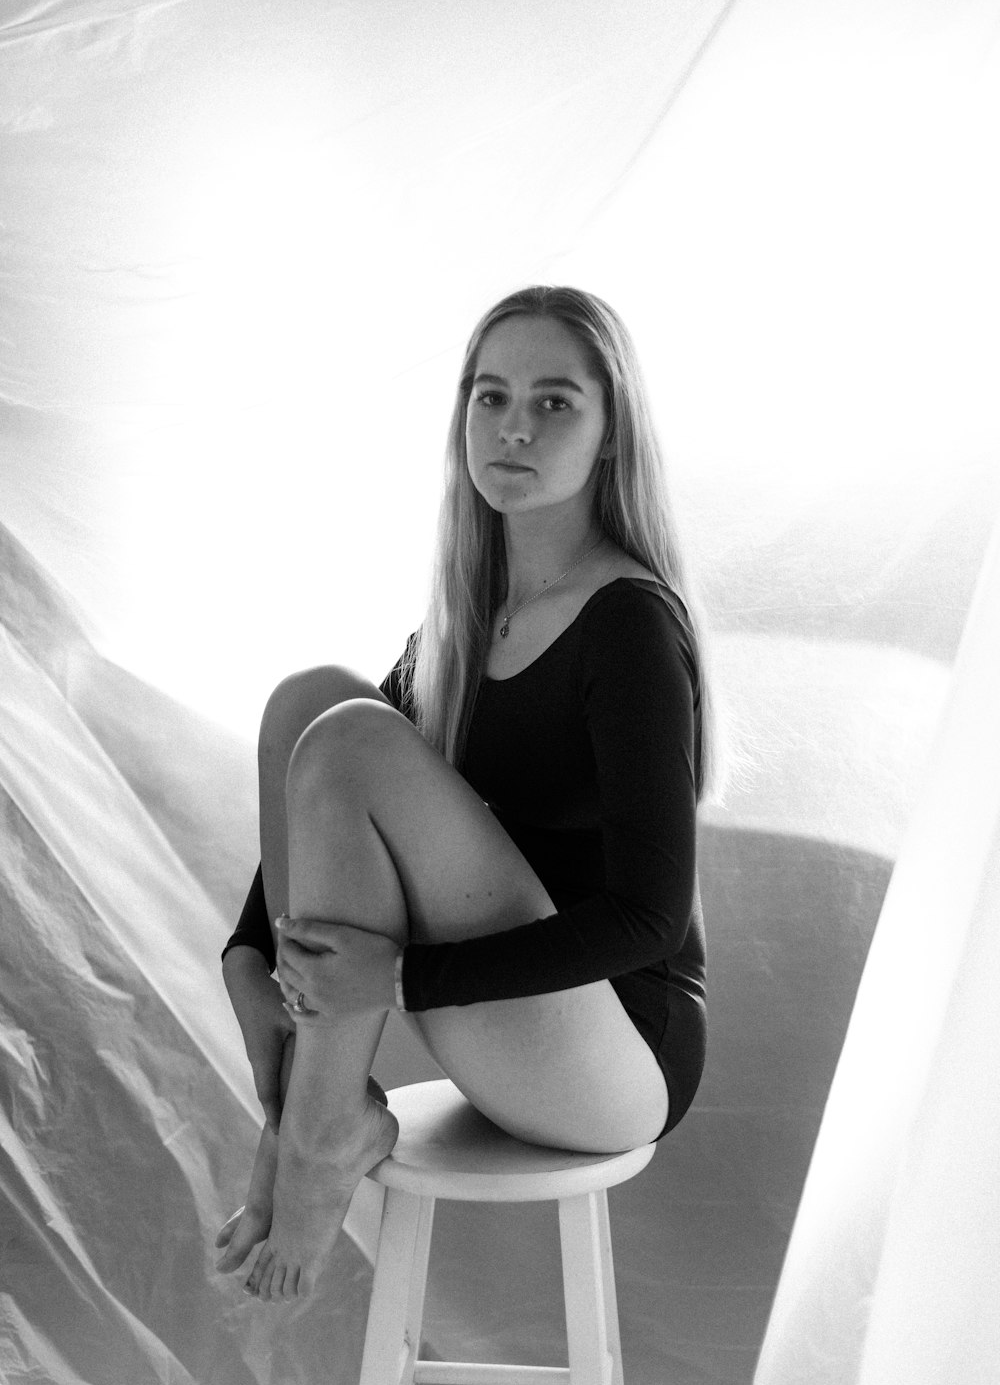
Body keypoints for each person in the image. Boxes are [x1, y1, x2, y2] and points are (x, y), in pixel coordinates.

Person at [215, 284, 720, 1303]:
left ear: (612, 433)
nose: (513, 427)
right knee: (310, 706)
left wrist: (397, 984)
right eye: (490, 398)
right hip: (503, 1012)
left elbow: (648, 919)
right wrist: (245, 953)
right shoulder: (463, 612)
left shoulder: (626, 623)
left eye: (554, 402)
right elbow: (319, 779)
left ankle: (314, 1137)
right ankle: (320, 1109)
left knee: (353, 734)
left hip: (617, 1054)